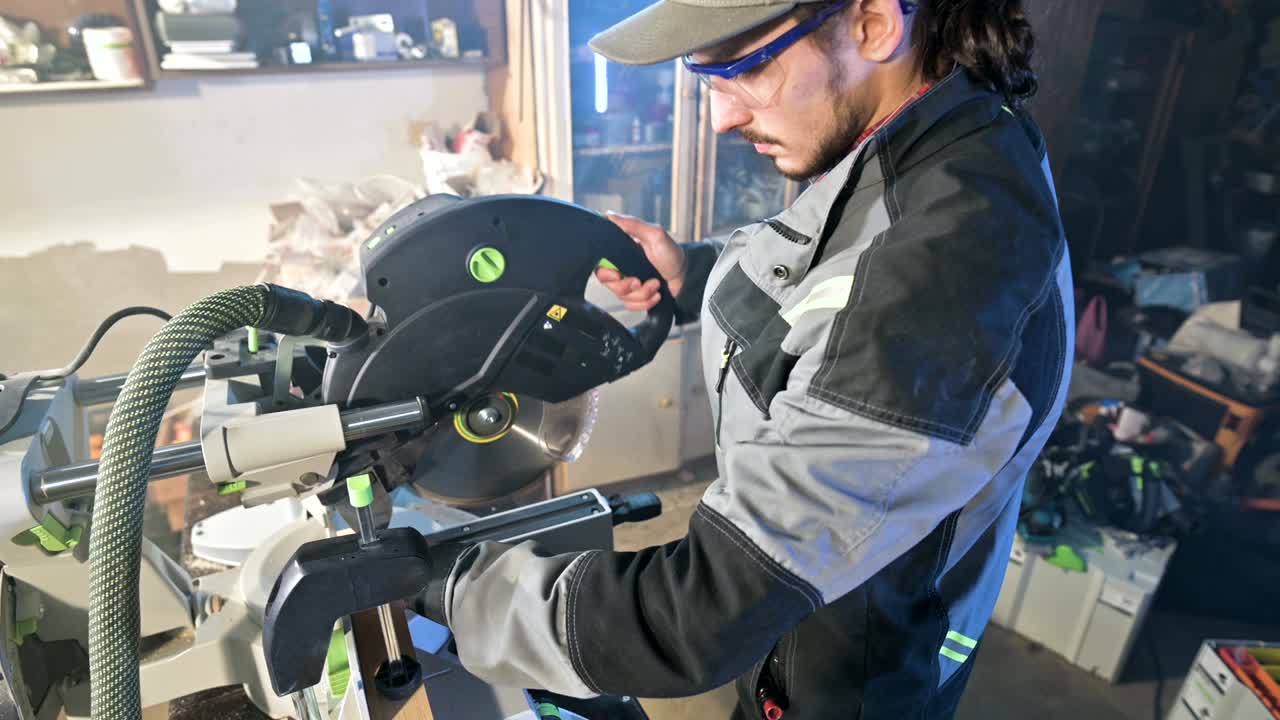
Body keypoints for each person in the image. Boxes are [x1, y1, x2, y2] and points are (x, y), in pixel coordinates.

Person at [416, 1, 1073, 718]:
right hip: (799, 624)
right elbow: (830, 277)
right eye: (704, 78)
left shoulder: (949, 262)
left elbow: (699, 617)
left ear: (875, 24)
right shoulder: (927, 136)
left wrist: (444, 588)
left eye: (745, 68)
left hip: (850, 679)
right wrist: (692, 275)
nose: (722, 119)